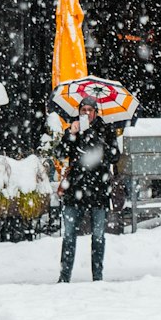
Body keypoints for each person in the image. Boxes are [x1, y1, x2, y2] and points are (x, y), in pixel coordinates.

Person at [57, 95, 114, 282]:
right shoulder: (73, 129)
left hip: (98, 189)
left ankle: (98, 277)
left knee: (98, 235)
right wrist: (71, 134)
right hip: (75, 189)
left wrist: (97, 138)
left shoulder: (105, 129)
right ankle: (64, 276)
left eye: (90, 110)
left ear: (96, 113)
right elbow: (60, 153)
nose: (87, 113)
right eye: (83, 110)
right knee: (69, 235)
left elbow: (114, 156)